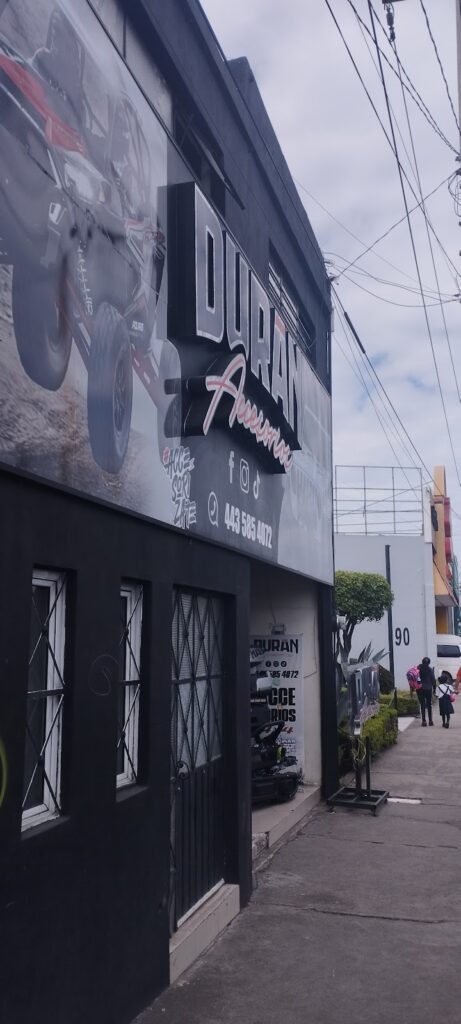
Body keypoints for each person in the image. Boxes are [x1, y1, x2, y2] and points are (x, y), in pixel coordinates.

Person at [417, 657, 436, 726]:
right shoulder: (430, 669)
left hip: (420, 688)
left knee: (422, 704)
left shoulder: (418, 669)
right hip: (428, 688)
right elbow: (433, 679)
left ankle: (424, 721)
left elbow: (415, 678)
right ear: (429, 663)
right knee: (429, 705)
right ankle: (430, 721)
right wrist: (434, 688)